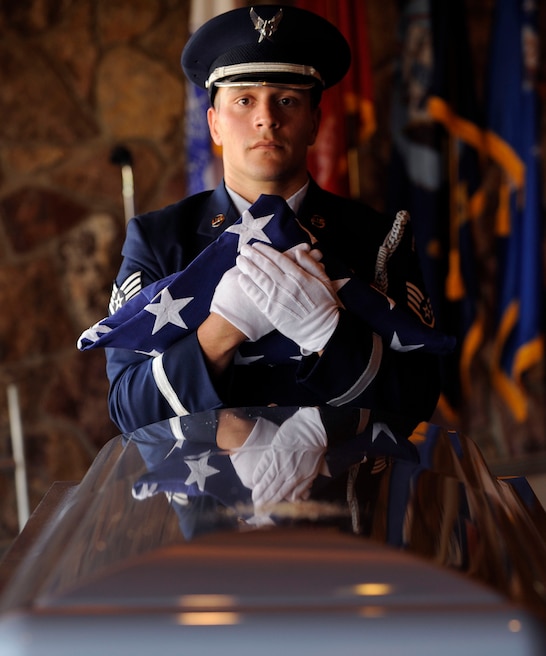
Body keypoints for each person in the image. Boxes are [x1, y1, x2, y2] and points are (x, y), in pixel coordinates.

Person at [103, 4, 445, 435]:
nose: (266, 118)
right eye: (244, 100)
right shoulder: (158, 240)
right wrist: (223, 329)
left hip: (342, 475)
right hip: (208, 479)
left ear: (315, 123)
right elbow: (128, 410)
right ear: (214, 125)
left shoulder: (377, 238)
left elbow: (417, 399)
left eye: (286, 100)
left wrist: (327, 332)